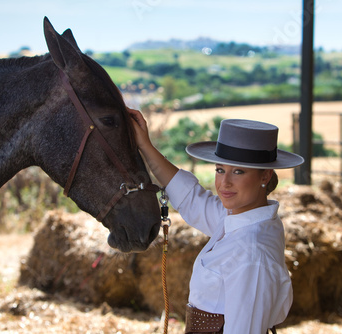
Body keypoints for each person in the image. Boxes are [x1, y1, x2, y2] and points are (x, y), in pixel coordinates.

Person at [127, 108, 304, 334]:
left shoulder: (251, 253)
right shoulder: (240, 218)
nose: (224, 183)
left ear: (265, 175)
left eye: (238, 172)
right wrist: (144, 145)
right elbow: (191, 198)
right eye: (220, 170)